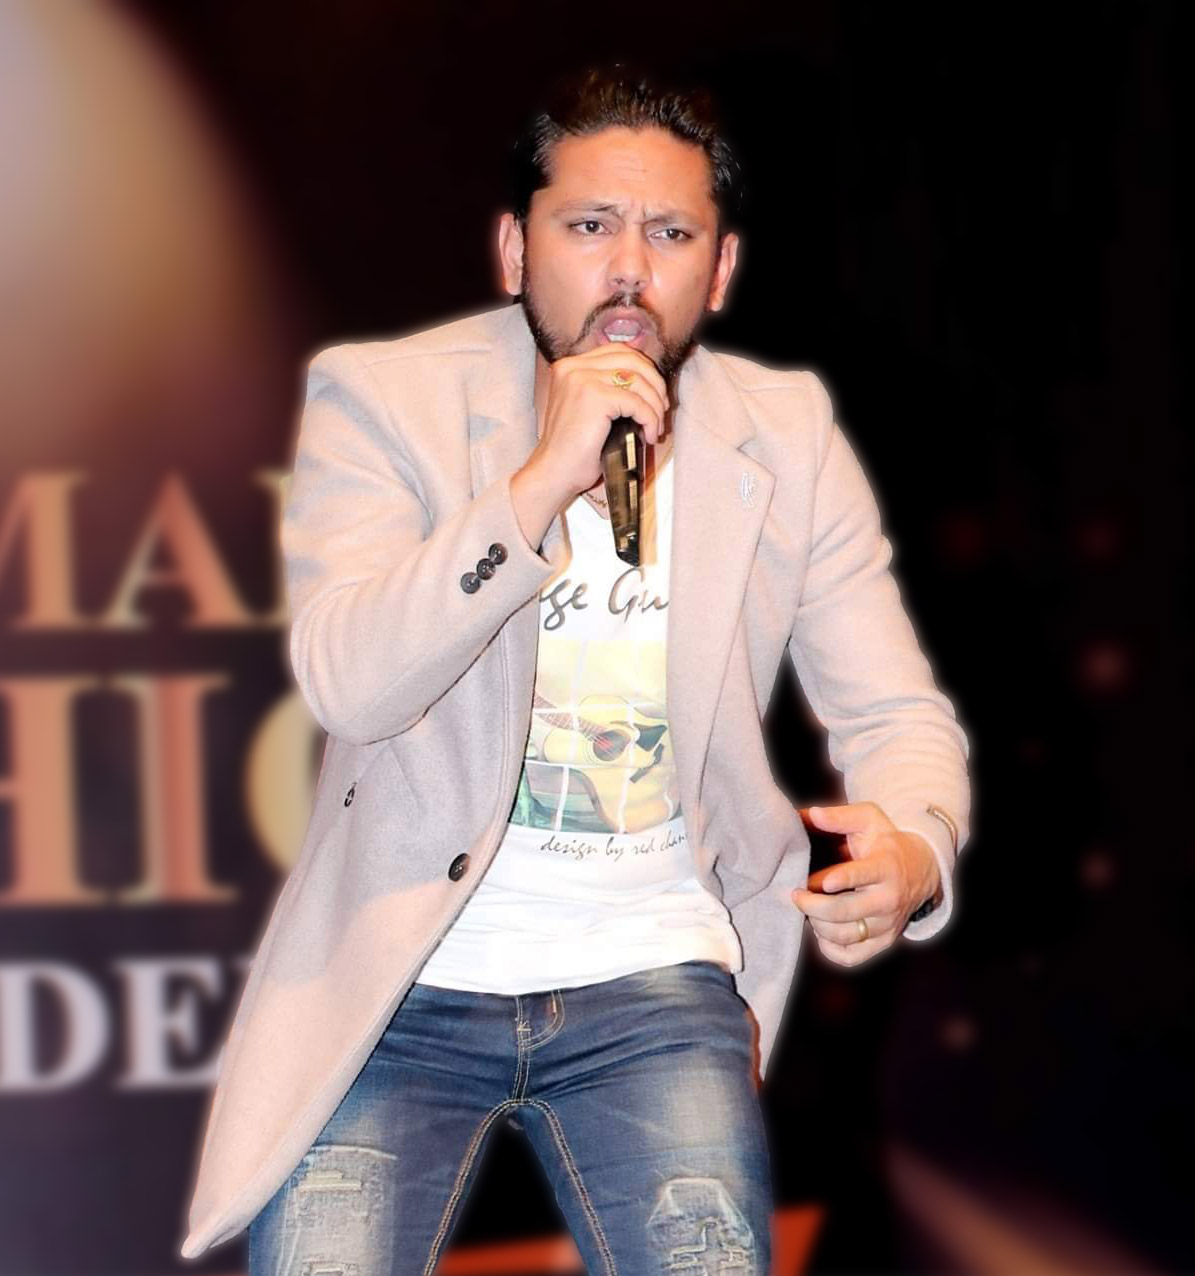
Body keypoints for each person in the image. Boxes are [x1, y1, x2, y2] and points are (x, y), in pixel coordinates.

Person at [179, 64, 971, 1275]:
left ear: (721, 269)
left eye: (670, 234)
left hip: (652, 972)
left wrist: (916, 847)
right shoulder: (388, 401)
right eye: (589, 226)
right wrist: (540, 481)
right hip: (402, 977)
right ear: (515, 248)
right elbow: (350, 680)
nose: (628, 271)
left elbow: (894, 707)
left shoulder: (785, 434)